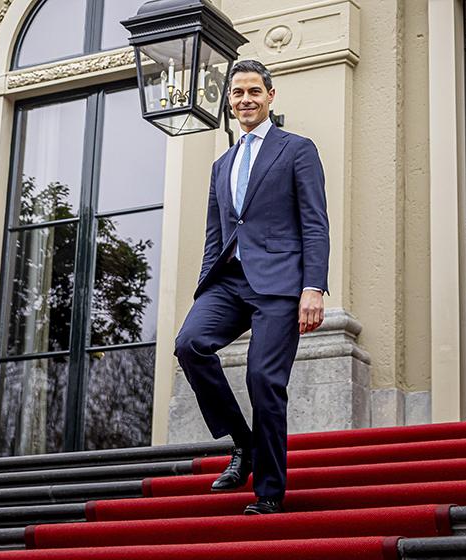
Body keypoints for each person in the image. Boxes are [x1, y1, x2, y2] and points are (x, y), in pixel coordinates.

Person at [173, 59, 328, 515]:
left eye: (254, 92)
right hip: (229, 281)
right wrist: (205, 289)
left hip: (280, 285)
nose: (246, 100)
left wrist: (313, 287)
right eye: (238, 93)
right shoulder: (222, 164)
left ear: (270, 96)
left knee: (264, 379)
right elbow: (214, 233)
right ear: (230, 100)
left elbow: (315, 224)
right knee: (190, 344)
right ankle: (244, 443)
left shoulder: (297, 149)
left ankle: (269, 492)